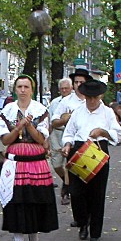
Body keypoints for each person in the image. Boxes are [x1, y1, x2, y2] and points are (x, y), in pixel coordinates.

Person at [0, 74, 59, 241]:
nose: (23, 90)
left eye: (26, 87)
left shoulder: (40, 110)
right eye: (19, 87)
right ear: (15, 90)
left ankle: (34, 235)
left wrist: (29, 126)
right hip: (15, 163)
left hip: (35, 163)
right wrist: (17, 128)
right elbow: (5, 140)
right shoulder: (7, 110)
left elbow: (42, 139)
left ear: (32, 90)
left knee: (35, 200)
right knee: (15, 201)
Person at [61, 77, 121, 241]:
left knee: (97, 193)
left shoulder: (108, 112)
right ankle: (83, 223)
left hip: (99, 150)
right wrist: (67, 145)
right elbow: (68, 133)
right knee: (77, 192)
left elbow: (118, 135)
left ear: (100, 97)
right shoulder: (78, 112)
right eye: (89, 98)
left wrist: (103, 132)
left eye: (95, 98)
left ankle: (95, 232)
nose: (92, 101)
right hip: (79, 150)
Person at [47, 77, 75, 205]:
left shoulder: (76, 101)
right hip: (57, 134)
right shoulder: (54, 102)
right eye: (62, 88)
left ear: (72, 88)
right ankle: (67, 182)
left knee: (70, 165)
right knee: (57, 164)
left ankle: (66, 190)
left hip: (71, 135)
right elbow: (50, 120)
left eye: (66, 88)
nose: (64, 90)